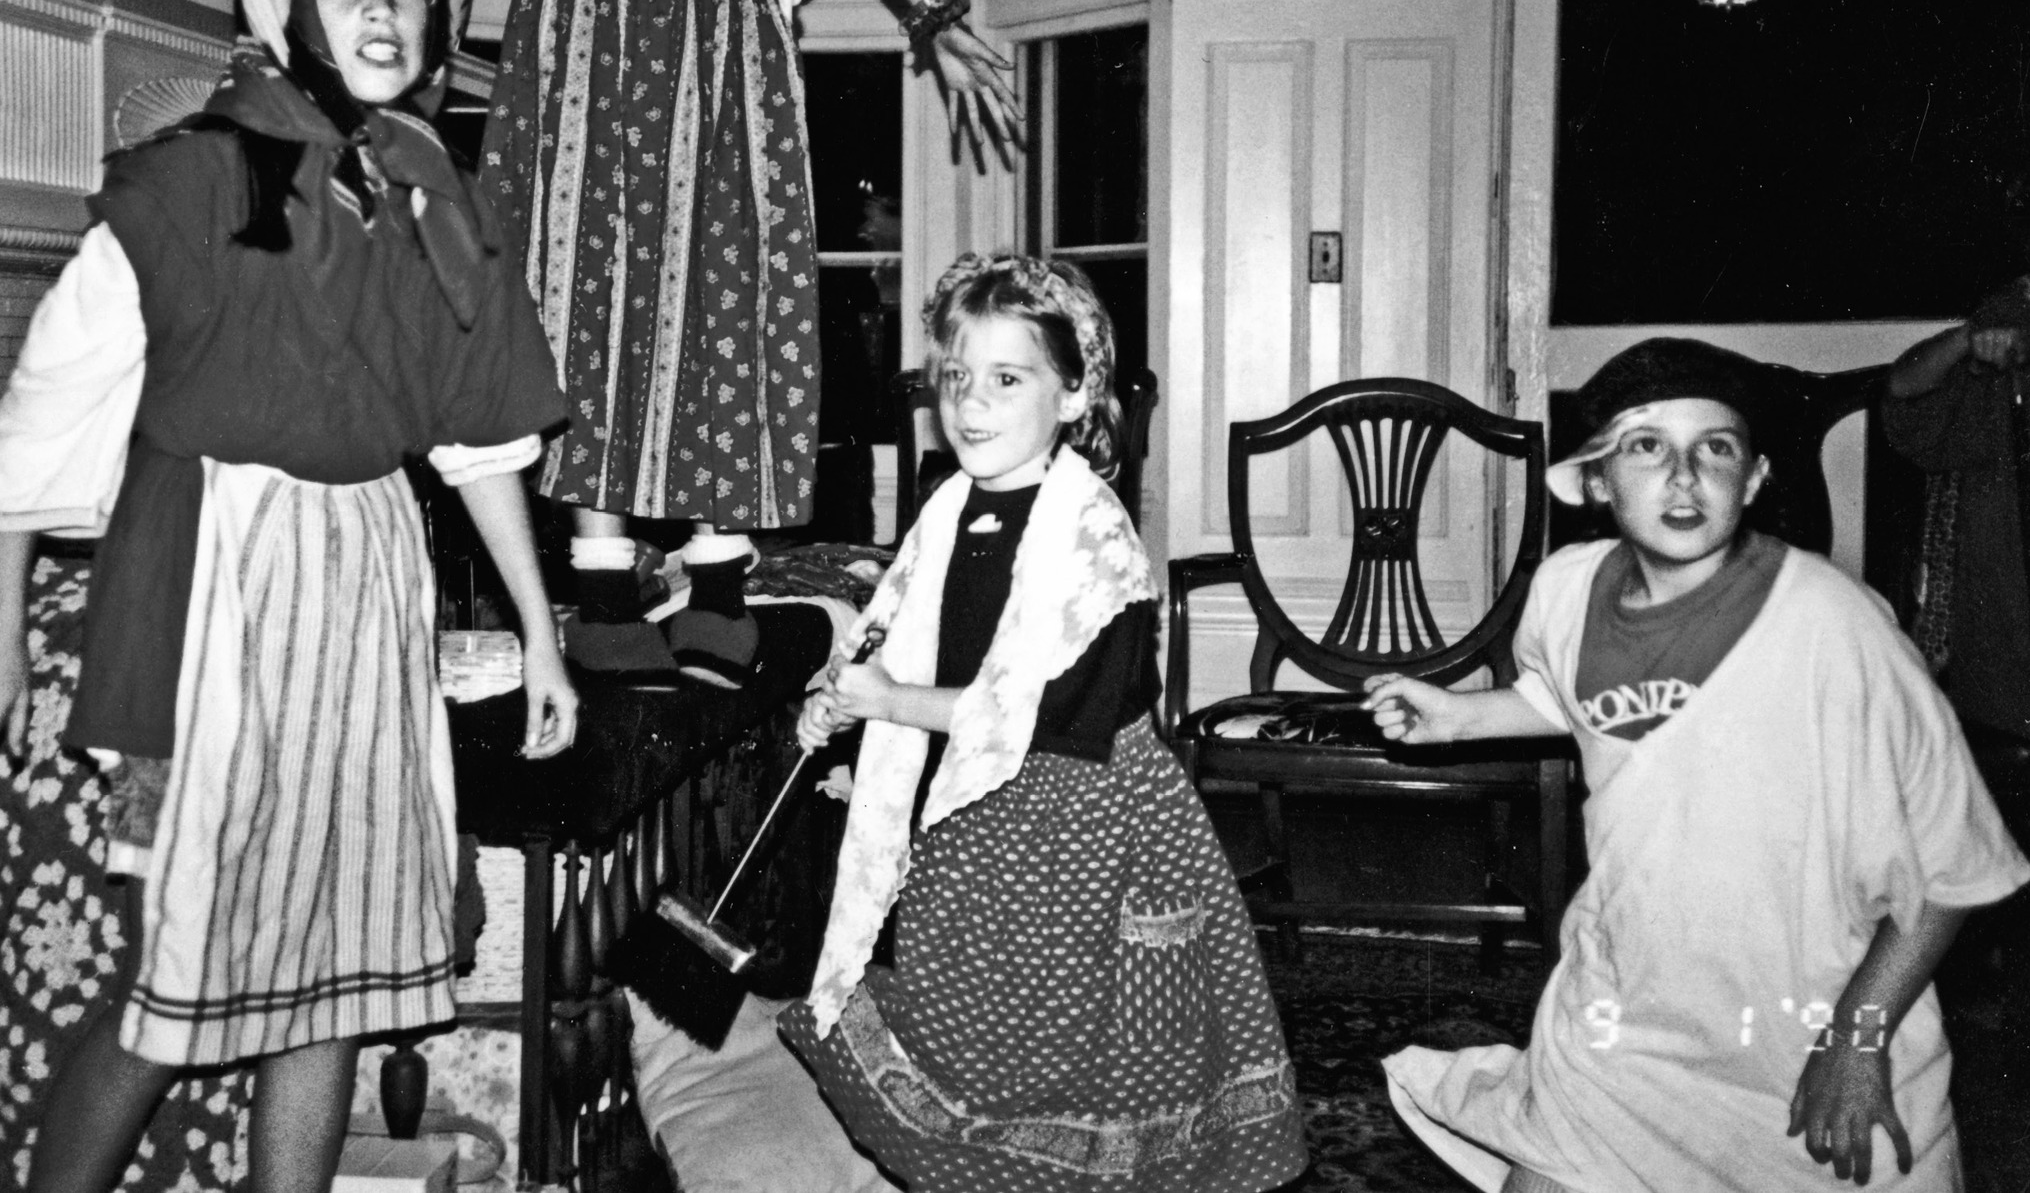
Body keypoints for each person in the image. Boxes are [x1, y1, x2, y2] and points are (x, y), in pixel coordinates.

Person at [0, 0, 579, 1193]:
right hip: (221, 580)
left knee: (334, 975)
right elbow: (45, 412)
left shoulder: (427, 181)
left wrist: (540, 632)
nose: (383, 9)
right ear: (278, 5)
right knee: (186, 969)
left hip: (371, 579)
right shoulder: (184, 184)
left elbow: (476, 432)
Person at [392, 0, 1023, 687]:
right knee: (584, 275)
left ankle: (718, 582)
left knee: (730, 279)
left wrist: (931, 14)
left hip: (739, 11)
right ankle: (605, 588)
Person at [1371, 338, 2030, 1193]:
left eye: (1713, 448)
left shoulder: (1836, 629)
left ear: (1752, 481)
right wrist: (1460, 717)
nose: (1684, 475)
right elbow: (1577, 702)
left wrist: (1856, 1043)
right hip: (1626, 1016)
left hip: (1806, 1022)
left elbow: (1954, 867)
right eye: (1647, 446)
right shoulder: (1566, 590)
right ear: (1600, 482)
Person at [775, 255, 1307, 1193]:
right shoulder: (949, 509)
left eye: (1007, 379)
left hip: (1083, 826)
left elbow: (1054, 717)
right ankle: (980, 1163)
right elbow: (901, 630)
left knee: (1076, 1030)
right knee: (965, 1009)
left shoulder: (1092, 538)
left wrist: (892, 707)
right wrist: (848, 692)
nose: (972, 404)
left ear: (1071, 396)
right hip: (976, 822)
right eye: (957, 378)